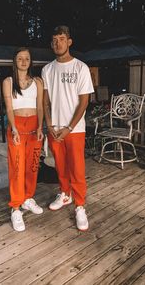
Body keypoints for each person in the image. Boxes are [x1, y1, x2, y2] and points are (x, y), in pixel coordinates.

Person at [42, 25, 94, 231]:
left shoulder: (81, 68)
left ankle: (80, 205)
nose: (57, 43)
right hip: (54, 128)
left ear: (69, 41)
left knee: (77, 168)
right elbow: (45, 102)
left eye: (61, 39)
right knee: (60, 166)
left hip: (75, 129)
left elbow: (84, 102)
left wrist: (69, 127)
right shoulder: (47, 69)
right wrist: (48, 124)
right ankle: (64, 194)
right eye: (54, 39)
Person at [3, 47, 44, 232]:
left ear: (30, 61)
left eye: (27, 58)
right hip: (17, 126)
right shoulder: (8, 81)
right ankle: (16, 207)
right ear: (15, 61)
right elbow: (9, 109)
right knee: (17, 167)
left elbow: (41, 107)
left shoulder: (38, 81)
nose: (24, 61)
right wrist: (14, 128)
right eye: (20, 58)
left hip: (35, 127)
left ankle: (28, 198)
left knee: (33, 166)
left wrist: (41, 126)